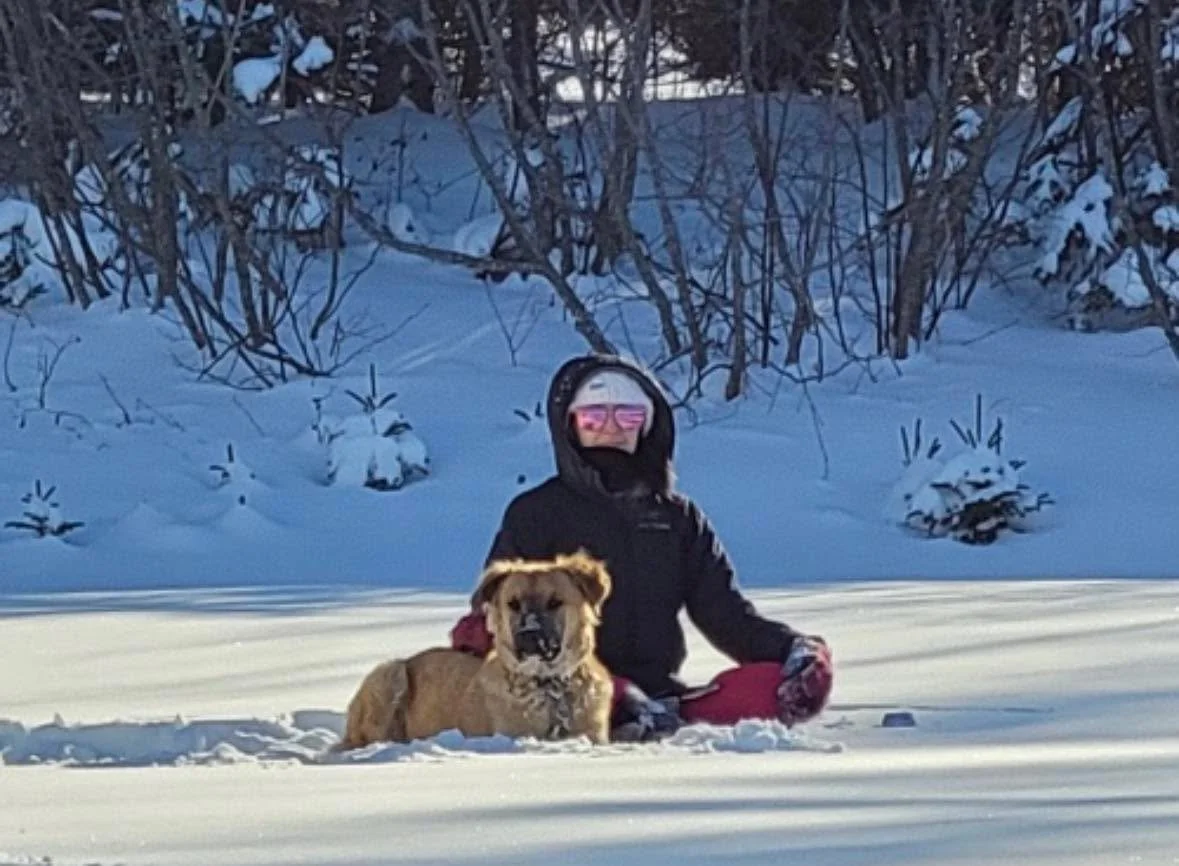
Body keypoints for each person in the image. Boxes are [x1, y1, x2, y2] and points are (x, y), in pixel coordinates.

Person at [450, 353, 833, 740]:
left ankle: (654, 716)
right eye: (594, 417)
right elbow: (501, 609)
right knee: (586, 692)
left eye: (628, 416)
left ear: (648, 425)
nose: (611, 428)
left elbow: (728, 617)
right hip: (565, 688)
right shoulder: (535, 513)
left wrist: (796, 651)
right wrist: (478, 633)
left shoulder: (679, 518)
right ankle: (620, 709)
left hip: (662, 698)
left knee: (771, 686)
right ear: (570, 424)